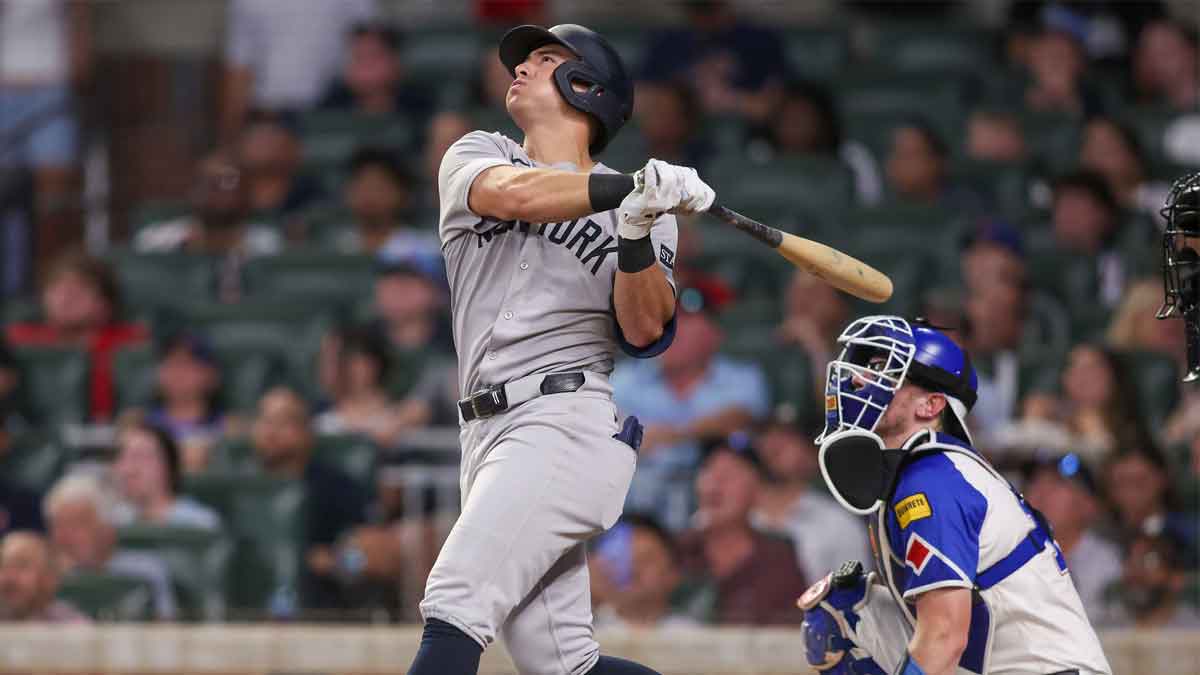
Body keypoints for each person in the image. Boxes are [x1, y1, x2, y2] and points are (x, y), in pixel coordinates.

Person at [410, 23, 717, 675]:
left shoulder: (645, 210)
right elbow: (515, 194)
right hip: (486, 436)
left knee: (456, 600)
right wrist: (627, 191)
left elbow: (644, 330)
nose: (519, 67)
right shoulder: (477, 152)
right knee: (564, 663)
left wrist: (636, 226)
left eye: (545, 59)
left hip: (562, 424)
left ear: (588, 88)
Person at [799, 316, 1110, 675]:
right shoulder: (917, 473)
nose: (857, 380)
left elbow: (945, 637)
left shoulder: (933, 479)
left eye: (880, 369)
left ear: (931, 405)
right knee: (842, 609)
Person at [612, 292, 770, 532]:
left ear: (714, 335)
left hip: (711, 492)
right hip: (636, 497)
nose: (671, 334)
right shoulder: (625, 379)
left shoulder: (741, 377)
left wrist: (674, 434)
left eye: (684, 324)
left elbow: (741, 415)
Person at [249, 387, 369, 613]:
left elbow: (363, 557)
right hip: (248, 604)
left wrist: (335, 561)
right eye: (265, 421)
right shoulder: (240, 486)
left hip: (323, 607)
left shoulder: (337, 488)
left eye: (283, 422)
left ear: (306, 432)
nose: (271, 432)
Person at [5, 251, 148, 422]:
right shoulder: (16, 340)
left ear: (104, 304)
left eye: (78, 289)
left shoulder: (130, 344)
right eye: (56, 287)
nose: (65, 298)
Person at [679, 437, 807, 625]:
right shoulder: (680, 551)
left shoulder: (779, 554)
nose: (714, 485)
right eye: (708, 471)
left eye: (728, 476)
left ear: (757, 491)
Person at [220, 0, 377, 138]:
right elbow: (240, 69)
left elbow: (370, 48)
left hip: (335, 114)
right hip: (270, 117)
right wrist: (228, 141)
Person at [752, 411, 871, 584]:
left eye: (784, 439)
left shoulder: (841, 495)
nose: (771, 446)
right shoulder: (748, 508)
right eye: (767, 439)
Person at [43, 473, 176, 619]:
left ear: (107, 529)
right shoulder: (42, 576)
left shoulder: (146, 571)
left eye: (77, 524)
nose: (65, 536)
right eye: (58, 526)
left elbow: (166, 626)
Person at [637, 0, 788, 123]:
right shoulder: (665, 41)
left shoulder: (760, 40)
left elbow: (775, 102)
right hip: (678, 143)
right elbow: (640, 99)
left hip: (747, 142)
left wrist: (732, 101)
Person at [1023, 453, 1122, 625]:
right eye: (1035, 483)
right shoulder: (1012, 557)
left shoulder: (1110, 563)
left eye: (1056, 484)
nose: (1040, 492)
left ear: (1088, 505)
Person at [1020, 343, 1155, 462]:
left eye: (1091, 369)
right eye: (1073, 368)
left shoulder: (1132, 433)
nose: (1081, 377)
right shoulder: (1053, 423)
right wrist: (1033, 421)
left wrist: (1093, 428)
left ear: (1115, 377)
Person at [135, 150, 280, 257]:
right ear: (192, 191)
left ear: (248, 195)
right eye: (211, 186)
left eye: (231, 186)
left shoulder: (268, 246)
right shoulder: (155, 243)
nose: (222, 197)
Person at [315, 327, 429, 446]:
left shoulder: (403, 412)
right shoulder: (318, 414)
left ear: (369, 365)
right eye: (324, 360)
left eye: (338, 359)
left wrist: (399, 420)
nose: (327, 368)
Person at [325, 147, 440, 264]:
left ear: (402, 193)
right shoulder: (336, 248)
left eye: (379, 187)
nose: (369, 196)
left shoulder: (425, 250)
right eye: (362, 186)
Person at [142, 332, 233, 470]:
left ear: (211, 374)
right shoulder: (142, 426)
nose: (177, 372)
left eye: (186, 364)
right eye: (170, 363)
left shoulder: (229, 428)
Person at [110, 417, 221, 531]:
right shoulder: (112, 522)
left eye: (140, 456)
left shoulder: (198, 523)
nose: (128, 468)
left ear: (169, 465)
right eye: (121, 457)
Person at [589, 515, 695, 629]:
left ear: (673, 573)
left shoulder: (693, 634)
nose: (633, 569)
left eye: (645, 560)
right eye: (623, 560)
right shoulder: (585, 634)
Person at [1078, 116, 1169, 224]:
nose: (1094, 159)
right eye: (1089, 149)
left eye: (1104, 150)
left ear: (1133, 157)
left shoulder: (1159, 201)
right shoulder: (1074, 206)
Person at [884, 121, 984, 215]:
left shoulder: (967, 209)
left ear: (938, 162)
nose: (897, 164)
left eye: (908, 156)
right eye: (895, 154)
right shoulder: (885, 209)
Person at [1106, 532, 1200, 629]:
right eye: (1131, 562)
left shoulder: (1194, 631)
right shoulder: (1105, 628)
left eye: (1149, 562)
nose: (1137, 574)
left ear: (1176, 578)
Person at [0, 531, 88, 622]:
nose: (9, 577)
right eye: (2, 566)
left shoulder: (72, 627)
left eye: (22, 566)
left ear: (49, 578)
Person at [1132, 19, 1199, 110]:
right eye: (1151, 55)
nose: (1159, 63)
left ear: (1190, 51)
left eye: (1166, 51)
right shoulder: (1146, 115)